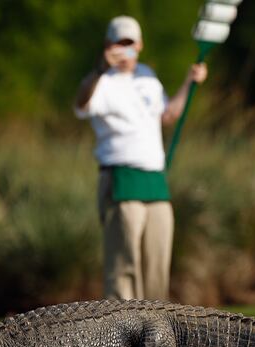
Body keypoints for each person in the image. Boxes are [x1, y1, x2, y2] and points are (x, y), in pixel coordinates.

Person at [74, 16, 207, 301]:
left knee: (157, 265)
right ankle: (119, 335)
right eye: (119, 43)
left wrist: (189, 82)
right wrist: (100, 68)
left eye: (130, 43)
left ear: (140, 45)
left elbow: (168, 115)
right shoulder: (102, 81)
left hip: (154, 178)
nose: (125, 49)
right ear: (108, 46)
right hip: (120, 177)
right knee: (123, 267)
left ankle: (156, 331)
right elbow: (81, 103)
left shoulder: (147, 77)